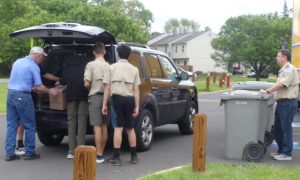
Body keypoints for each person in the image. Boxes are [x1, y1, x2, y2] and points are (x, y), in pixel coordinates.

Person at [5, 46, 57, 161]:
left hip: (11, 94)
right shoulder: (33, 66)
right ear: (38, 56)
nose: (42, 61)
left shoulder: (18, 62)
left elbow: (20, 80)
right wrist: (50, 91)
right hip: (23, 96)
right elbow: (39, 86)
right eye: (42, 58)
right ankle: (29, 152)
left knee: (11, 125)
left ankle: (10, 153)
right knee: (29, 125)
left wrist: (31, 87)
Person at [259, 49, 299, 161]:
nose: (276, 58)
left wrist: (267, 91)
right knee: (277, 129)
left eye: (278, 56)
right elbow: (279, 85)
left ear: (284, 57)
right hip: (282, 103)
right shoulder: (283, 70)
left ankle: (286, 153)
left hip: (288, 103)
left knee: (285, 129)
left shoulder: (289, 69)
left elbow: (281, 84)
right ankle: (281, 151)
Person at [105, 44, 140, 166]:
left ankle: (116, 157)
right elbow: (136, 90)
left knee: (118, 128)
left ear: (118, 54)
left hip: (117, 99)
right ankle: (134, 156)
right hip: (130, 99)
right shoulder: (134, 69)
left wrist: (105, 104)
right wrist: (137, 106)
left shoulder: (111, 68)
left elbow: (108, 87)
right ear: (129, 55)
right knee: (130, 128)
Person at [84, 42, 110, 164]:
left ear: (94, 52)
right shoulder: (109, 66)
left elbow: (86, 83)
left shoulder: (91, 65)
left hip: (95, 98)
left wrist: (91, 90)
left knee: (97, 127)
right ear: (104, 51)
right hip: (106, 98)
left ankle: (99, 155)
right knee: (104, 126)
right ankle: (101, 152)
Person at [60, 51, 89, 159]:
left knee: (71, 122)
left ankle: (71, 151)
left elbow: (64, 79)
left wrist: (59, 82)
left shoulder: (66, 62)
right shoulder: (86, 62)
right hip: (83, 94)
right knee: (82, 123)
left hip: (70, 94)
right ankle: (81, 149)